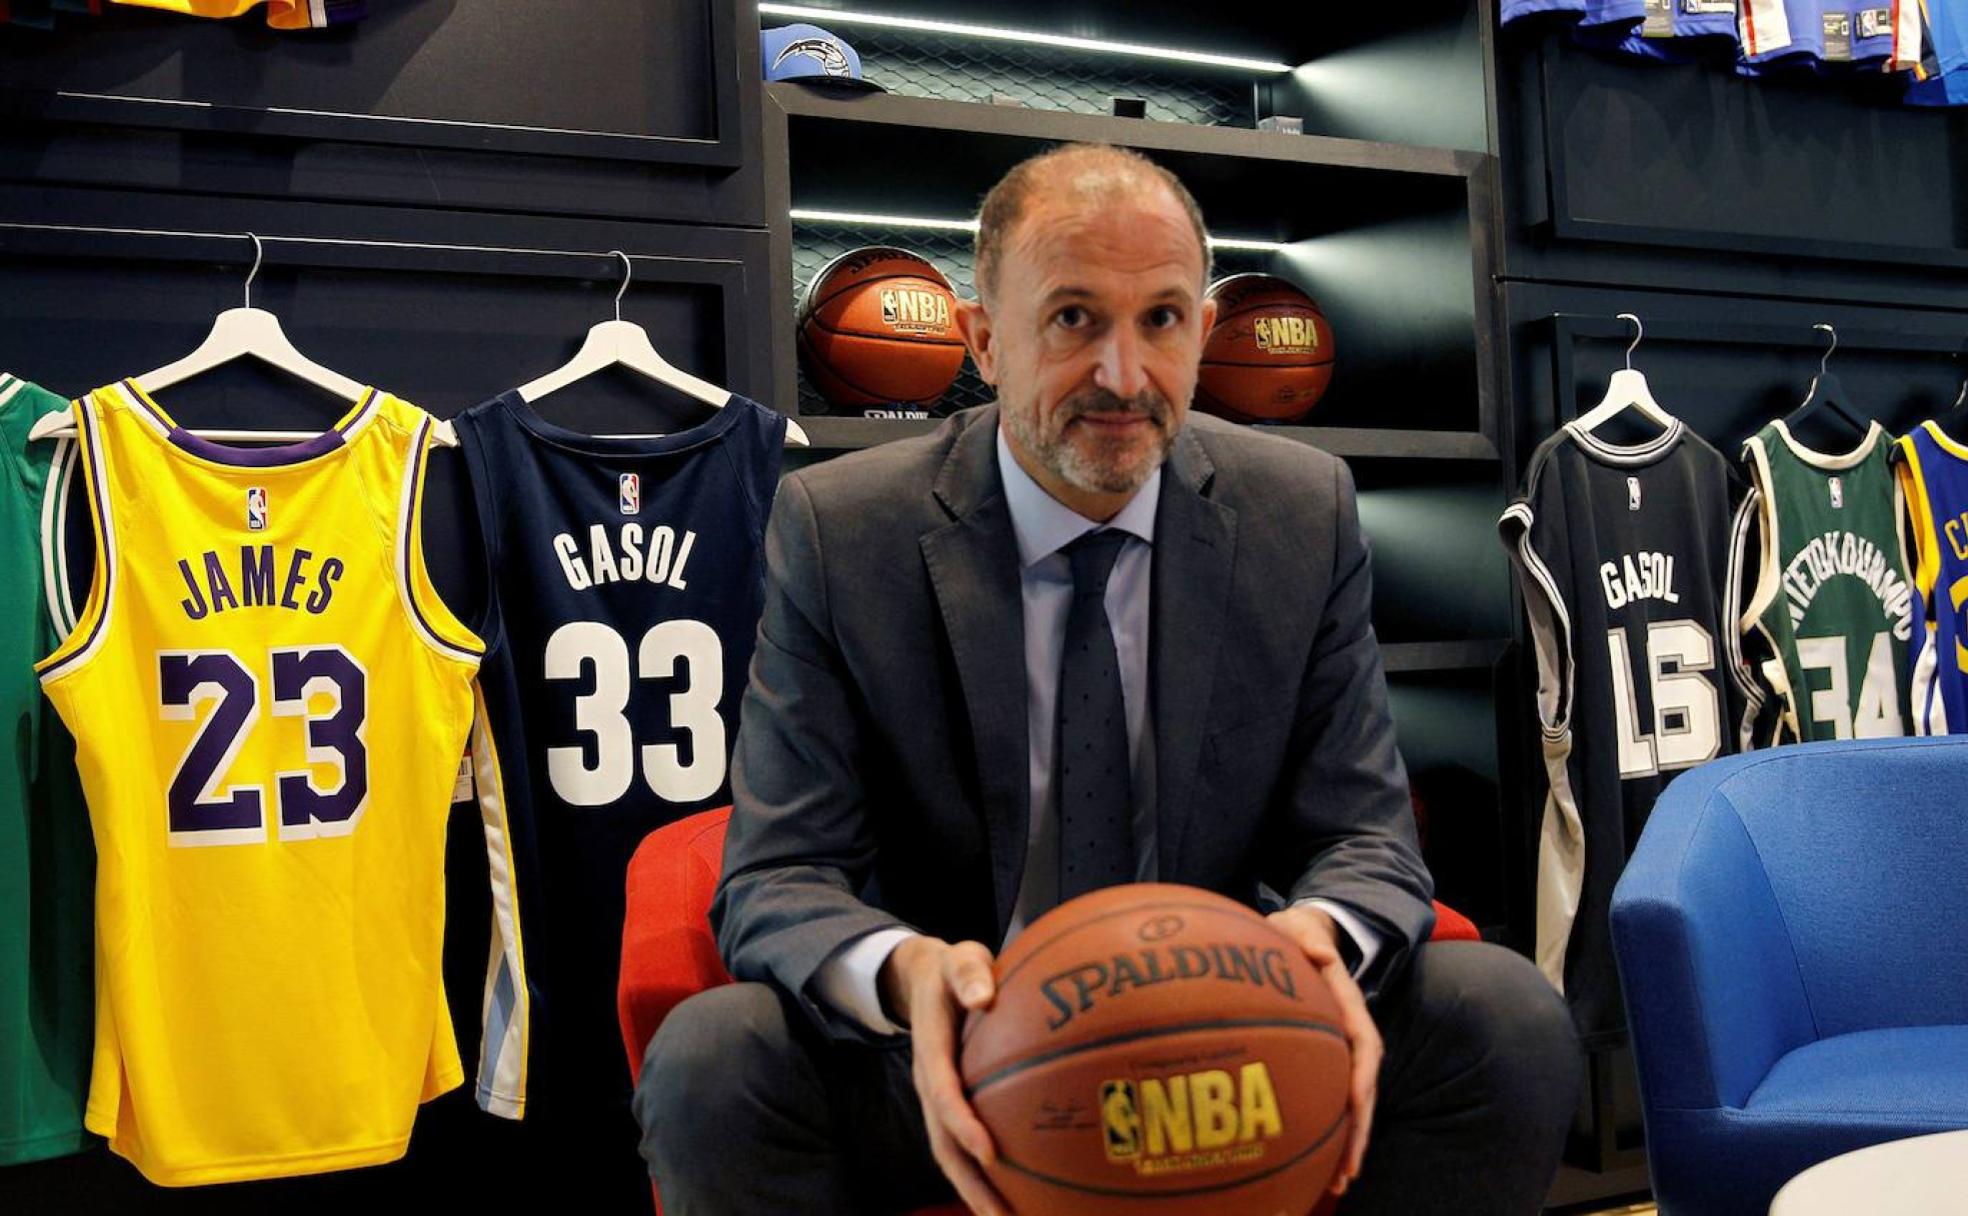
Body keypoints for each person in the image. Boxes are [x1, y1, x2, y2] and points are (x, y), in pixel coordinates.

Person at [634, 142, 1581, 1216]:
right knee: (714, 1062)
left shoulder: (1301, 510)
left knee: (1501, 1014)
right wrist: (911, 976)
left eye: (1163, 320)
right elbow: (777, 875)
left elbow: (1362, 833)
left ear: (1204, 334)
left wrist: (1314, 946)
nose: (1124, 375)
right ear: (985, 341)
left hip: (1221, 1044)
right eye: (1075, 318)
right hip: (956, 1064)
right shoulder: (840, 529)